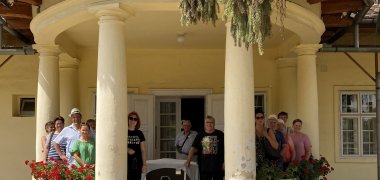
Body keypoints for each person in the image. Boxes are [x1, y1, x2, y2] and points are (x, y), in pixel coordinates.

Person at [185, 115, 224, 180]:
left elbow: (226, 149)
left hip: (218, 167)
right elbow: (193, 148)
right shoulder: (200, 135)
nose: (209, 124)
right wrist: (188, 160)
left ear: (214, 124)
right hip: (204, 167)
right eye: (207, 122)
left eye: (211, 122)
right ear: (204, 124)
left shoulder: (220, 134)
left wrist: (225, 162)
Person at [127, 111, 147, 180]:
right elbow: (118, 146)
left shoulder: (139, 133)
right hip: (126, 163)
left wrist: (144, 164)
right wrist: (127, 149)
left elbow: (143, 150)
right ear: (128, 119)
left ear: (137, 121)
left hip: (137, 163)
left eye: (135, 119)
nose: (133, 120)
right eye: (131, 118)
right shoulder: (123, 132)